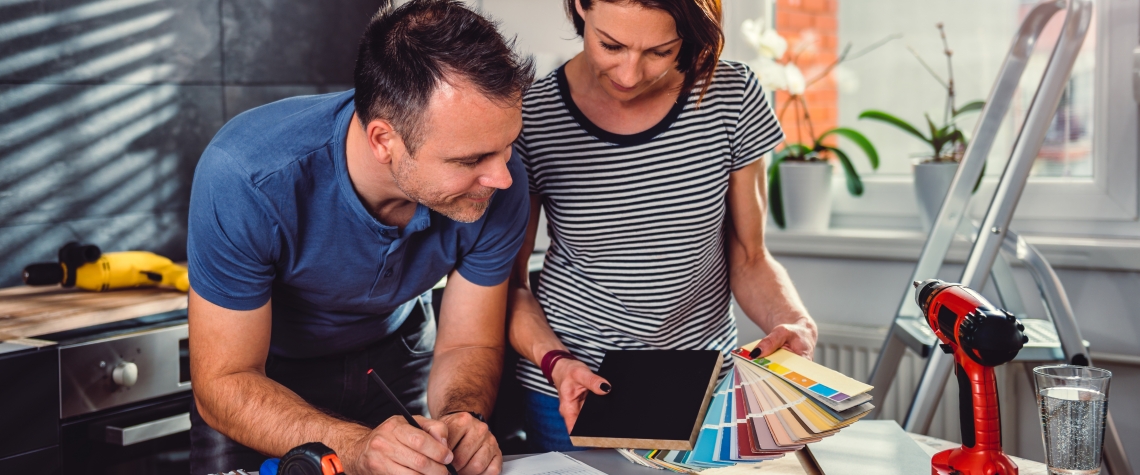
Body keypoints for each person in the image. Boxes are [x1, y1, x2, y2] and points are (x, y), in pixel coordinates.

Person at [186, 1, 533, 474]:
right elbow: (224, 379)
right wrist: (355, 447)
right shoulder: (246, 176)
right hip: (266, 381)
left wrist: (462, 419)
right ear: (383, 140)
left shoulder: (498, 181)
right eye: (470, 160)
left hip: (396, 359)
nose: (503, 177)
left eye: (506, 146)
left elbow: (467, 345)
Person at [507, 0, 818, 452]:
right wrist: (555, 363)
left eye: (659, 51)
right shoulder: (532, 112)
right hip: (571, 382)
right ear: (580, 7)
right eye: (610, 45)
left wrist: (794, 321)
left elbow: (750, 258)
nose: (629, 74)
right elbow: (511, 286)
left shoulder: (731, 94)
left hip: (702, 384)